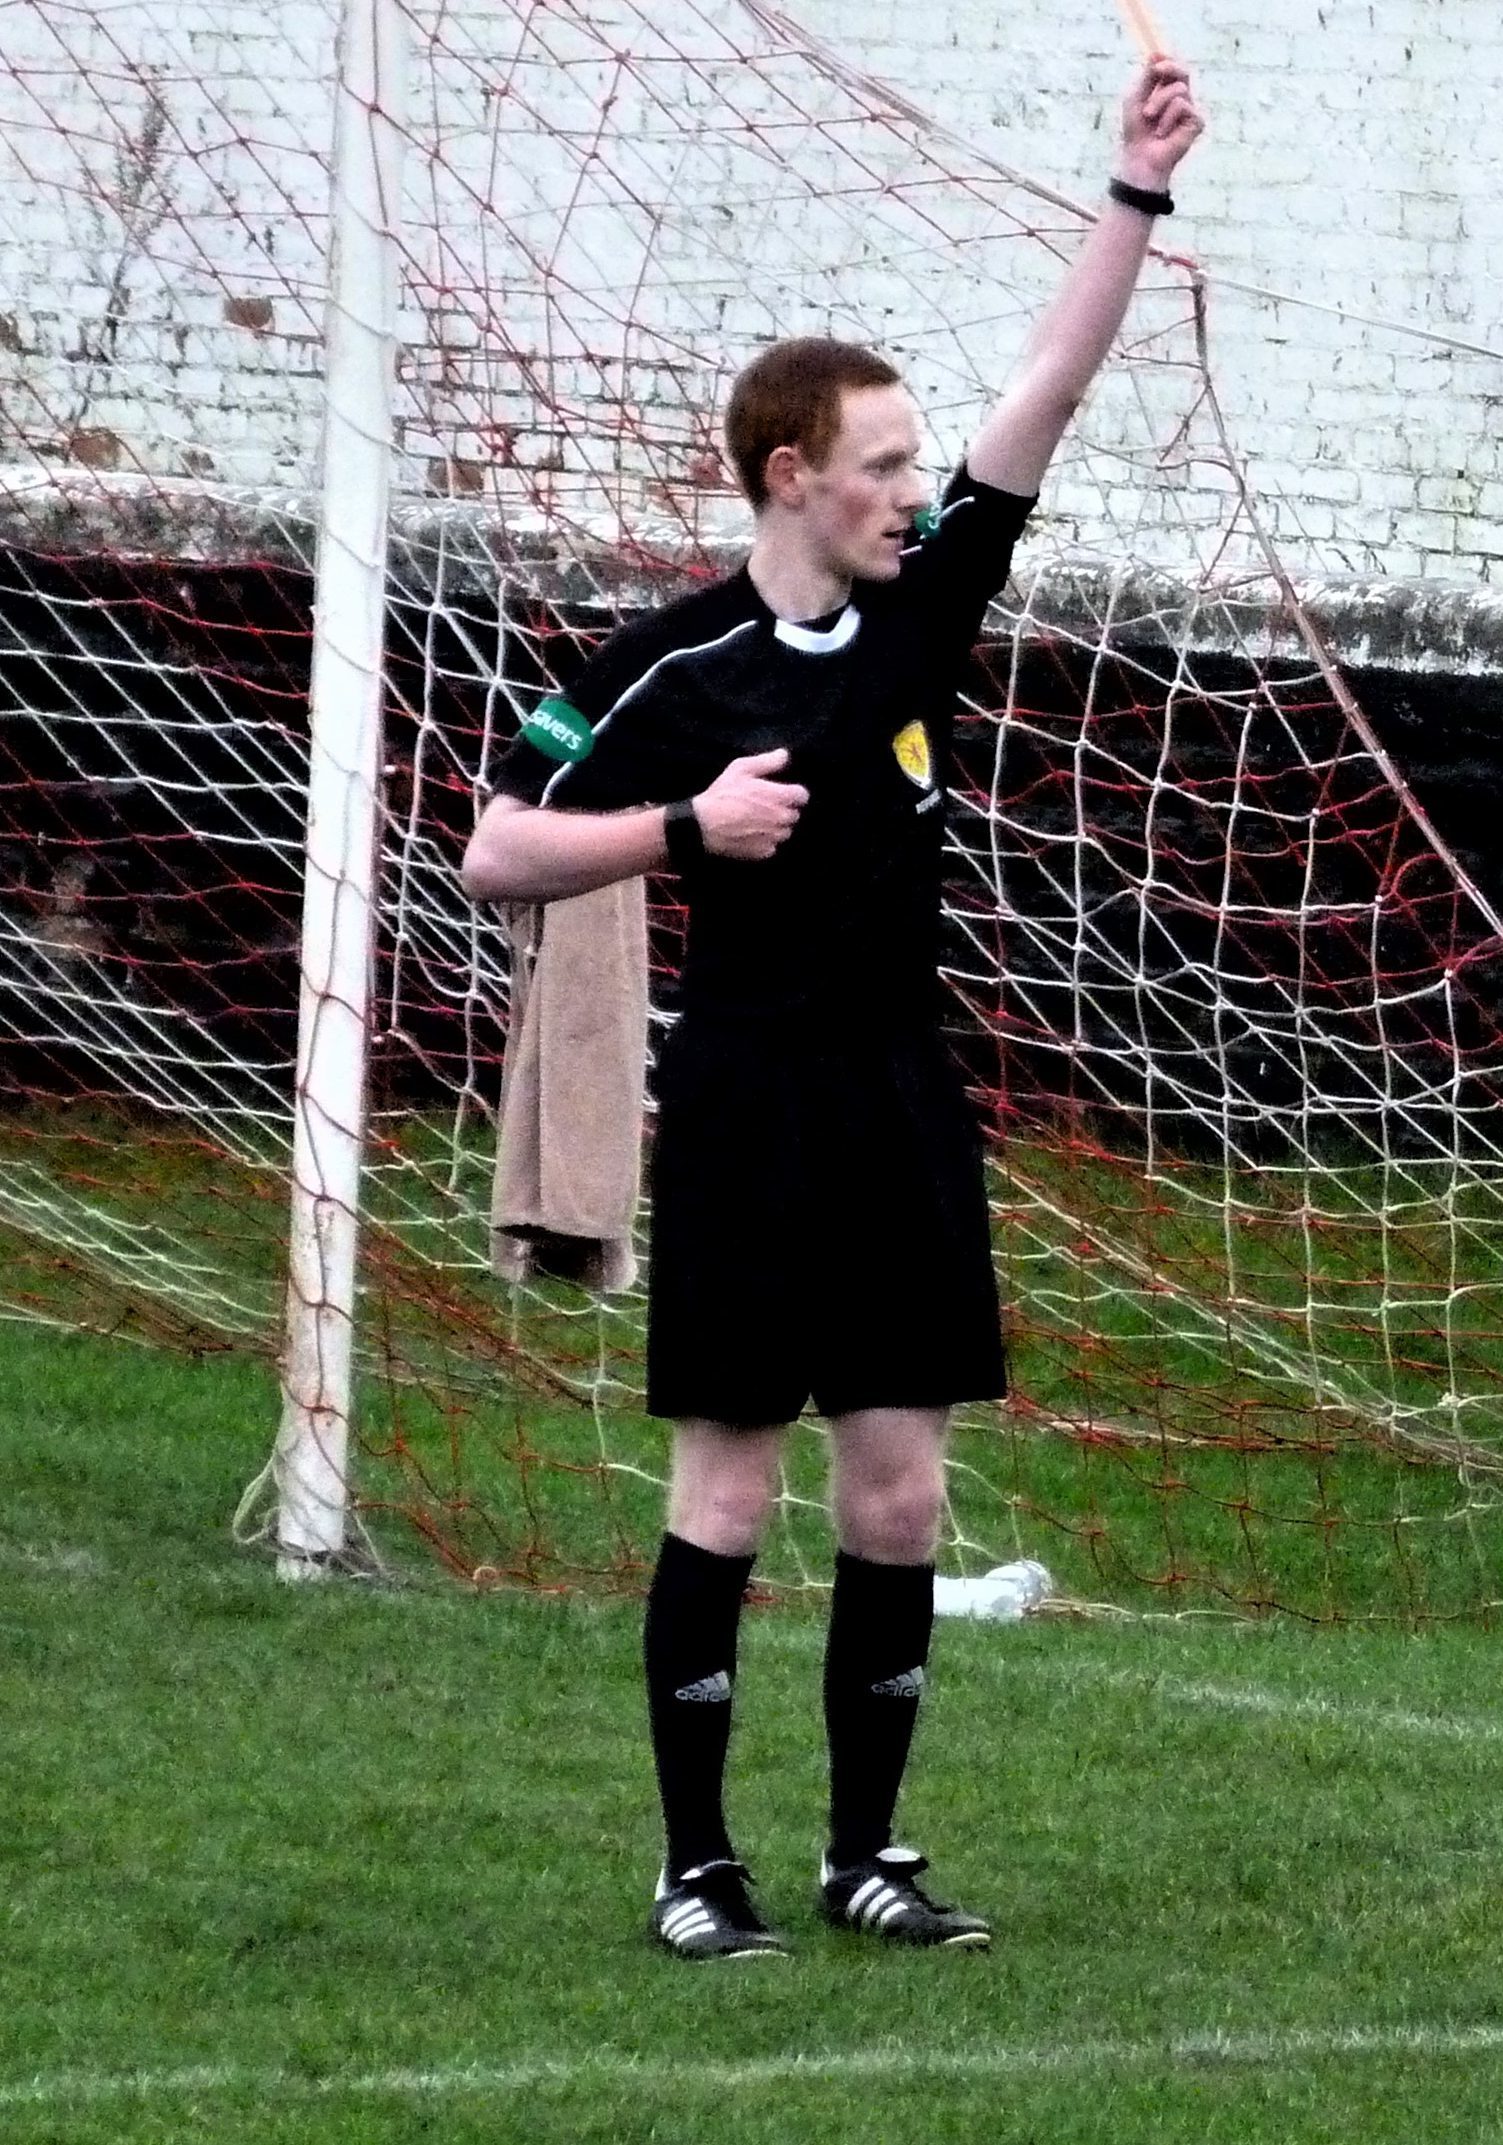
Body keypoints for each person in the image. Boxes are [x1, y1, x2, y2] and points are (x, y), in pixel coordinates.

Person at [461, 58, 1204, 1962]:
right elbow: (494, 850)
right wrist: (678, 825)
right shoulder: (665, 663)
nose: (910, 487)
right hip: (745, 1103)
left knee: (902, 1482)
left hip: (898, 1098)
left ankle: (866, 1854)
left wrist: (1132, 190)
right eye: (881, 463)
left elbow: (1047, 395)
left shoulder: (915, 618)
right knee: (727, 1483)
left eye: (913, 465)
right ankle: (694, 1867)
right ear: (792, 475)